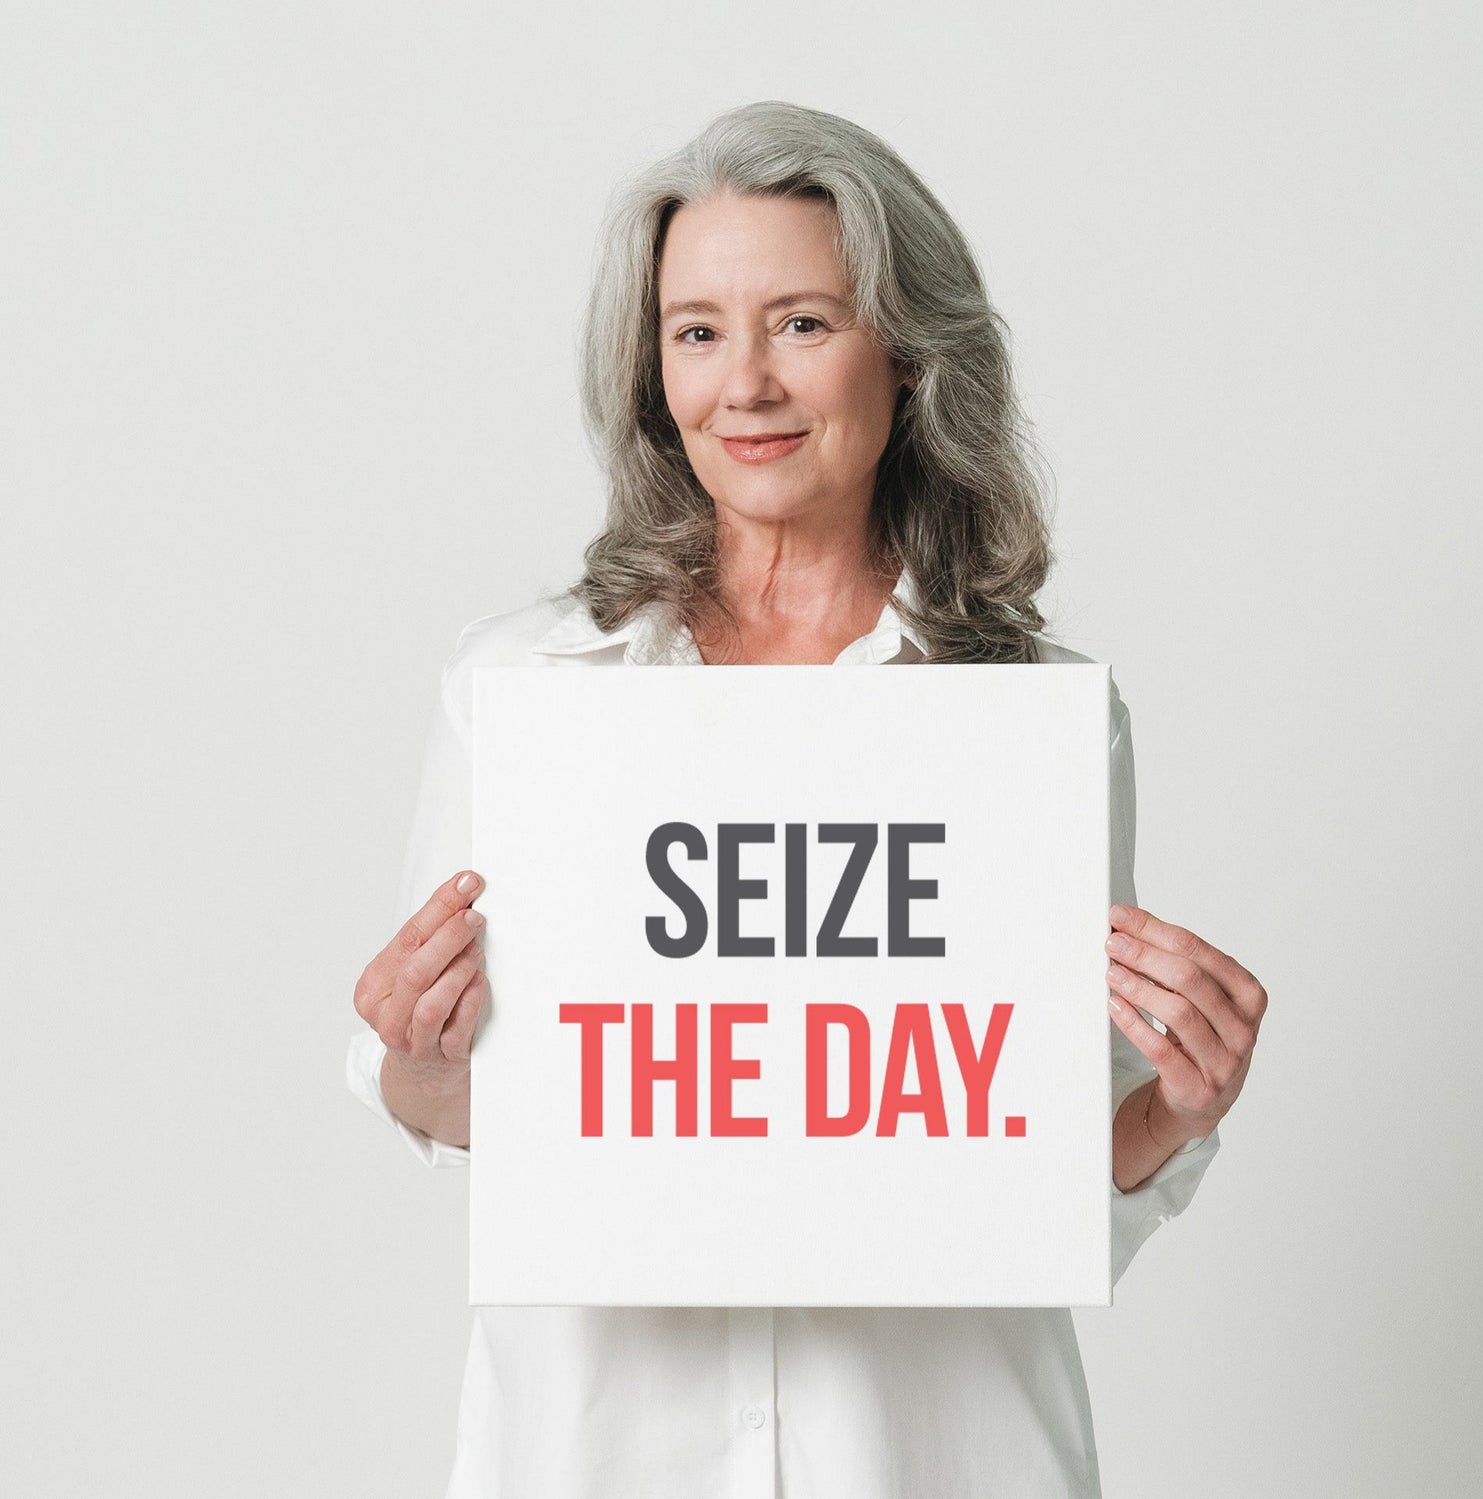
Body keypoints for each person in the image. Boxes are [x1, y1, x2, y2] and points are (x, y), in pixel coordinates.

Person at [346, 99, 1267, 1498]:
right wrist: (418, 1047)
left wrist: (1179, 1107)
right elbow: (486, 1110)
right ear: (653, 372)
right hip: (600, 1455)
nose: (746, 384)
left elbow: (1025, 1166)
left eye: (803, 323)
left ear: (905, 352)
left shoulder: (1031, 724)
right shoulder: (525, 688)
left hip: (930, 1456)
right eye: (698, 331)